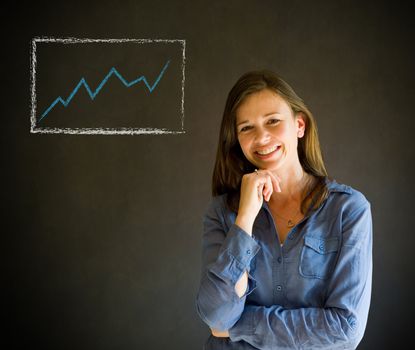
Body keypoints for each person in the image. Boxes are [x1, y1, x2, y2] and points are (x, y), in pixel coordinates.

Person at [195, 70, 373, 350]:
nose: (262, 137)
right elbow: (216, 313)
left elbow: (346, 329)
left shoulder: (348, 210)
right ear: (236, 140)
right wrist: (244, 219)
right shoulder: (222, 212)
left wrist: (237, 327)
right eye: (246, 128)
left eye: (273, 121)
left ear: (299, 125)